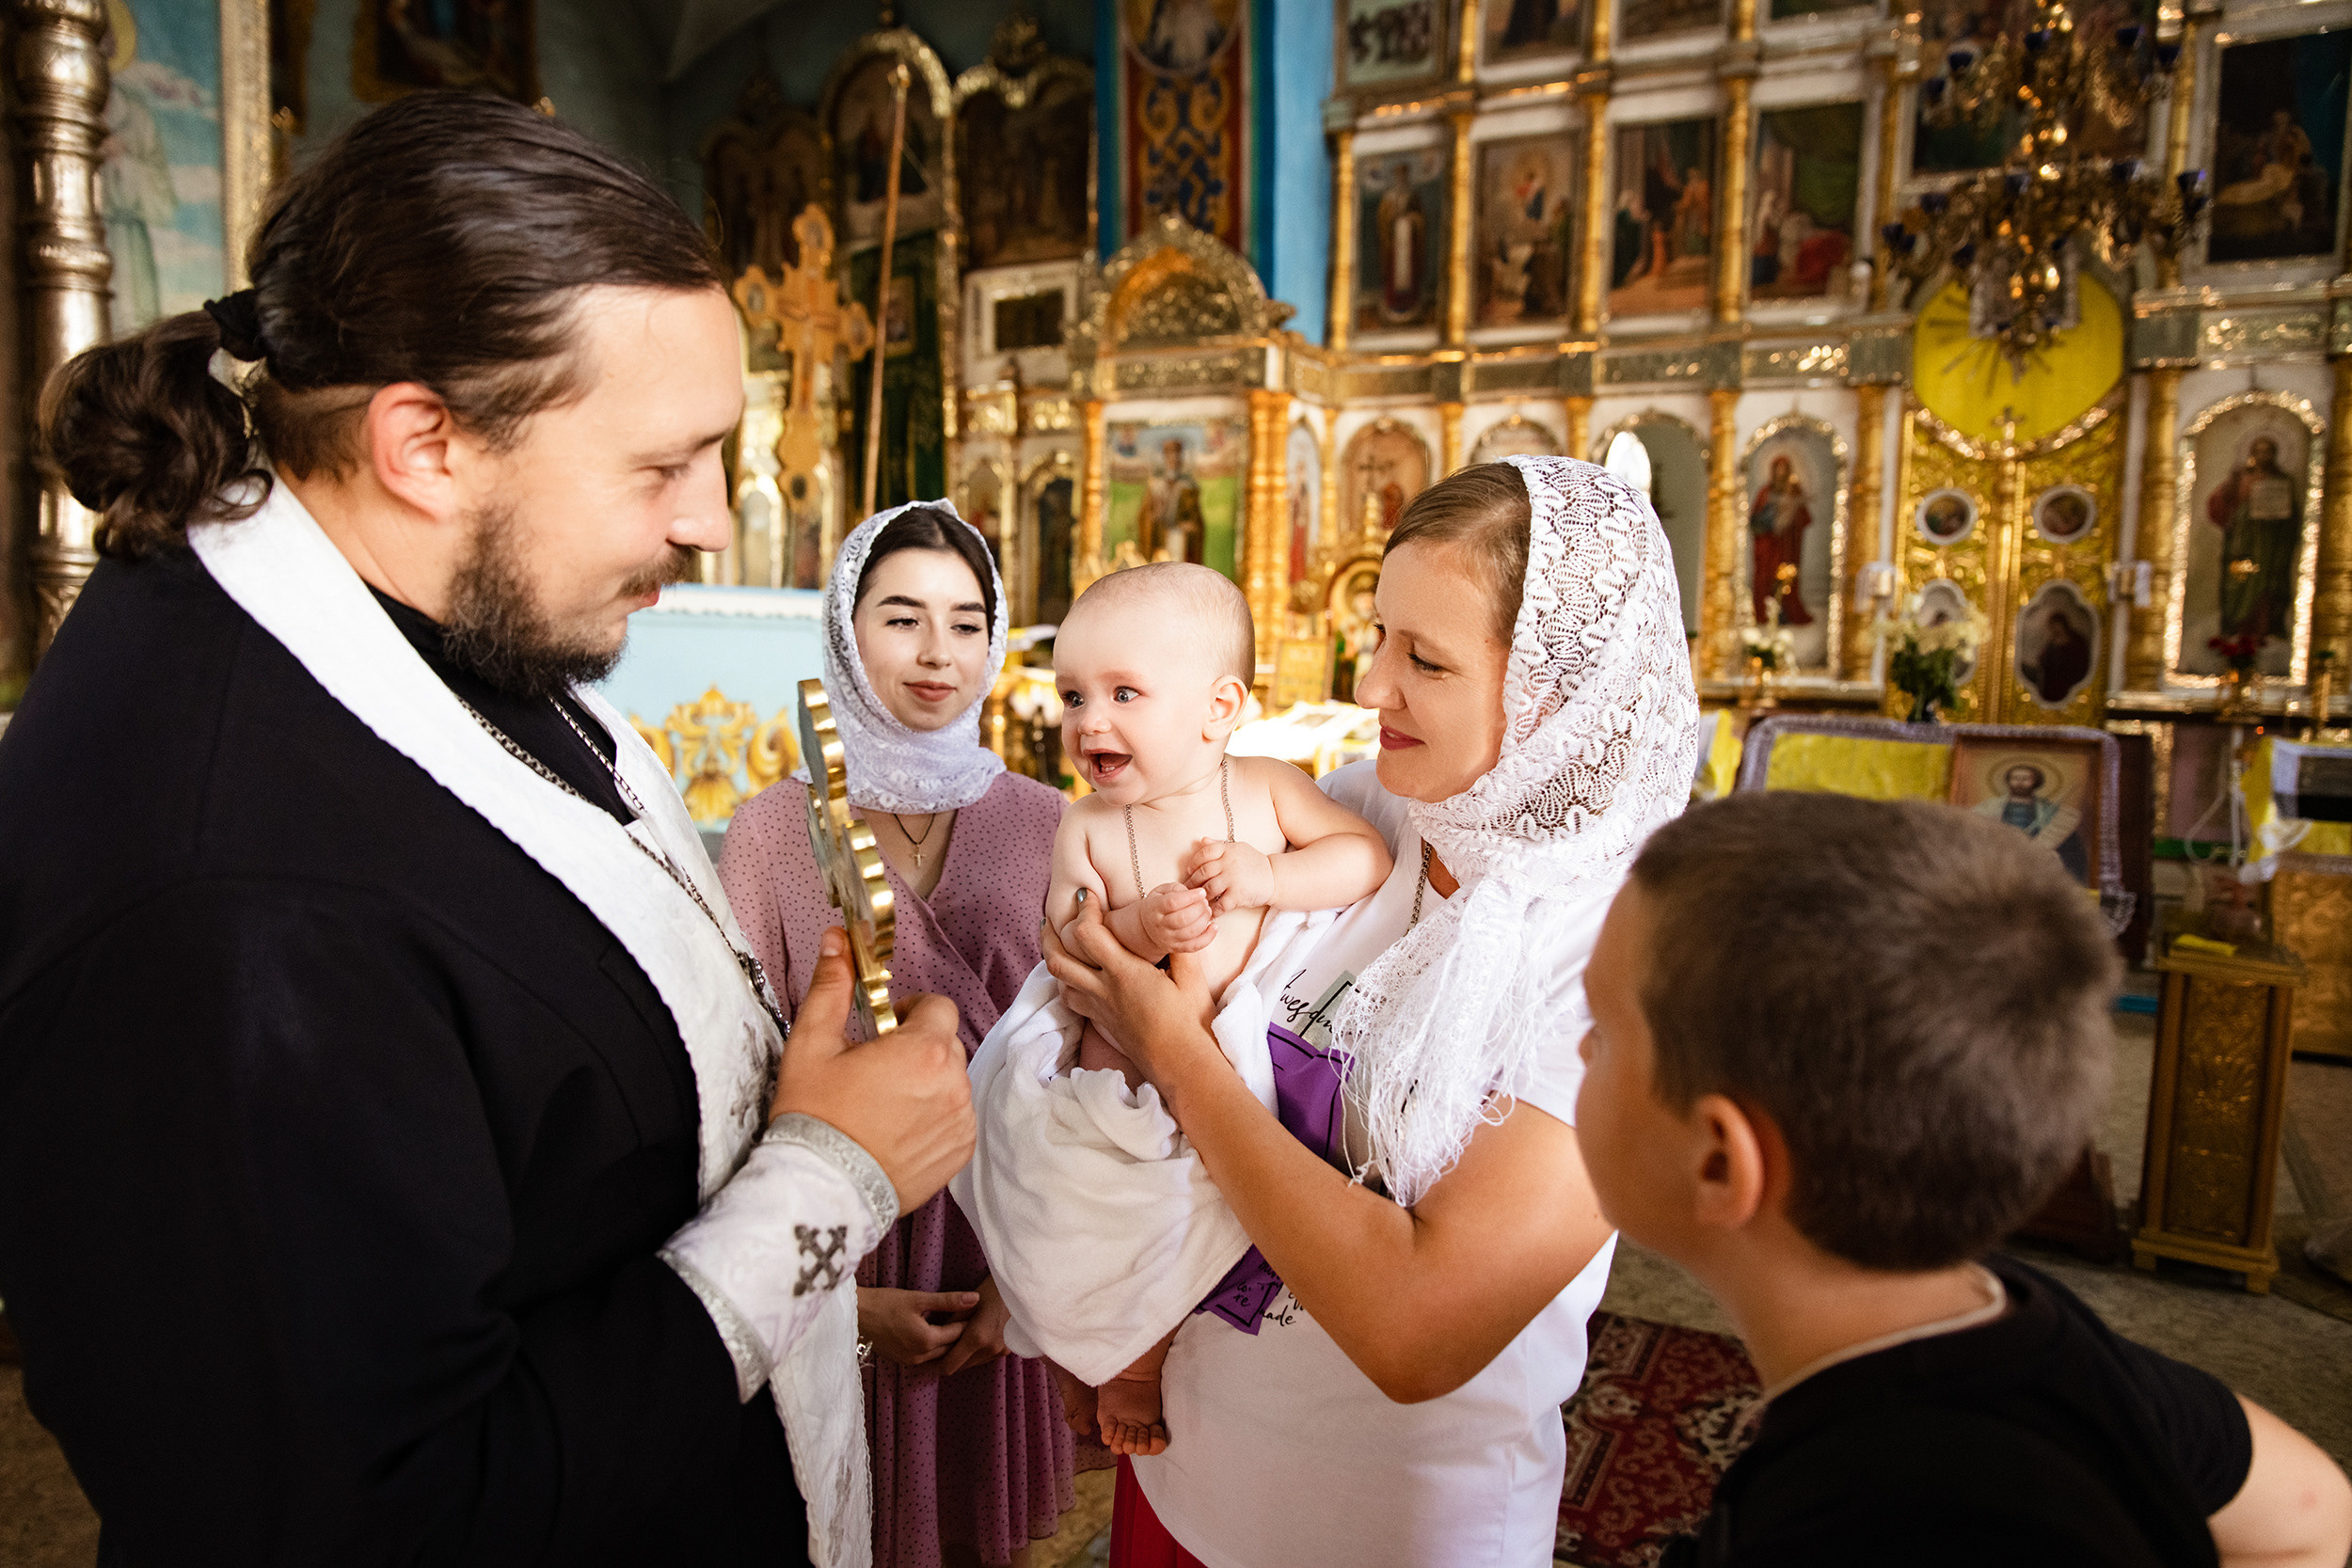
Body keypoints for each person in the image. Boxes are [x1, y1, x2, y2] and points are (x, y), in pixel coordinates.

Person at [0, 94, 975, 1566]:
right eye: (661, 466)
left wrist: (807, 1266)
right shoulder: (226, 897)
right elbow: (386, 1504)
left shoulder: (438, 608)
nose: (712, 521)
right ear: (426, 443)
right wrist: (830, 1185)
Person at [1040, 457, 1702, 1565]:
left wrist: (1167, 1042)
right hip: (1182, 1461)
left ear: (1555, 690)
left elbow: (1418, 1327)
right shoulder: (1359, 810)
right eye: (1379, 631)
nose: (1368, 685)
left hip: (1380, 1523)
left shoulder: (1627, 952)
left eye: (1424, 658)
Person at [1576, 792, 2352, 1567]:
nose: (1579, 1053)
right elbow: (2310, 1510)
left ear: (1720, 1159)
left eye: (1602, 1031)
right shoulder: (2014, 1326)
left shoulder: (1890, 1519)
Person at [719, 501, 1084, 1568]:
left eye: (968, 622)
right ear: (844, 628)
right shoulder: (774, 828)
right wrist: (837, 1297)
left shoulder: (1044, 818)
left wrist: (1026, 1276)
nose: (939, 653)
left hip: (998, 1228)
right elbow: (741, 1074)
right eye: (902, 617)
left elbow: (1078, 1057)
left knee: (972, 1524)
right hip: (840, 1224)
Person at [963, 562, 1391, 1459]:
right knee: (1063, 1187)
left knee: (1160, 1204)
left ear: (1219, 706)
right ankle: (1061, 1326)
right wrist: (1137, 920)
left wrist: (1269, 874)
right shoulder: (1085, 825)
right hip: (1114, 1049)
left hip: (1216, 1060)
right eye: (1073, 694)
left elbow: (1363, 860)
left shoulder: (1268, 788)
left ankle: (1128, 1367)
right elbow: (1067, 940)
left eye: (1124, 692)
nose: (1089, 721)